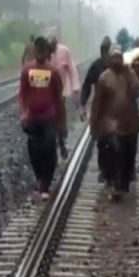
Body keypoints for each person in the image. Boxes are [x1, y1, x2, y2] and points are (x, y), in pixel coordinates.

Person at [90, 44, 139, 201]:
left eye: (119, 57)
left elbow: (138, 91)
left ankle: (124, 183)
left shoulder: (130, 73)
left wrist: (133, 79)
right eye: (114, 57)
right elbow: (97, 103)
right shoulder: (104, 78)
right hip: (111, 123)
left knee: (129, 155)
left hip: (130, 123)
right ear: (109, 60)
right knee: (115, 153)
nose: (117, 60)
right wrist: (95, 124)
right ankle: (116, 184)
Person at [19, 36, 66, 202]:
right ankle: (40, 179)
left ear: (47, 52)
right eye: (37, 49)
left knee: (49, 150)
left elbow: (58, 97)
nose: (40, 53)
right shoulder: (27, 70)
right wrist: (24, 112)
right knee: (34, 151)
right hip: (32, 118)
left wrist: (61, 121)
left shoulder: (53, 72)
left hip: (48, 118)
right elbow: (22, 94)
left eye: (42, 50)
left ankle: (45, 184)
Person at [81, 36, 113, 183]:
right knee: (101, 140)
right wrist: (83, 104)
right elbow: (87, 85)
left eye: (108, 51)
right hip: (100, 109)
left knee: (115, 140)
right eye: (104, 51)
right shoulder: (96, 66)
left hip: (115, 108)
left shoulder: (117, 65)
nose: (106, 54)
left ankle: (113, 170)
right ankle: (103, 169)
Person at [47, 28, 80, 160]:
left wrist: (75, 86)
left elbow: (72, 69)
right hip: (47, 91)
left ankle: (61, 142)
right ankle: (53, 144)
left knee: (59, 116)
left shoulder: (64, 51)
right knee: (49, 118)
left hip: (61, 90)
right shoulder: (46, 53)